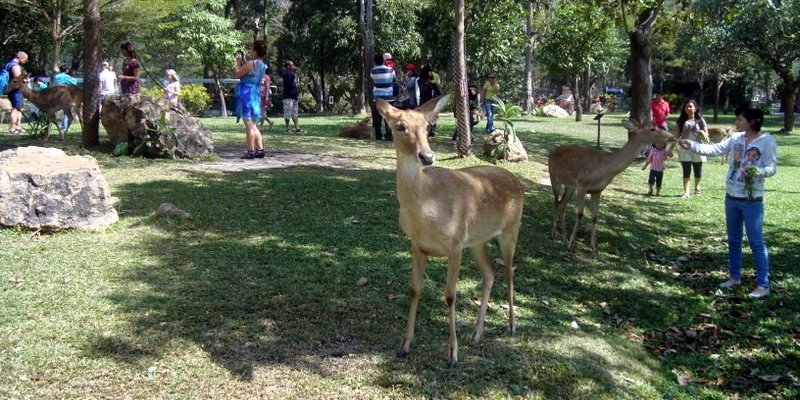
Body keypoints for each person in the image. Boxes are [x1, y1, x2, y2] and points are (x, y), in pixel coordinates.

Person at [678, 102, 777, 298]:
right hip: (731, 197)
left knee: (756, 242)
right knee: (733, 239)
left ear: (753, 121)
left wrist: (758, 171)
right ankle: (734, 277)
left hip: (752, 200)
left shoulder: (767, 141)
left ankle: (763, 285)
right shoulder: (735, 138)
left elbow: (772, 167)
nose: (736, 122)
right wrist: (692, 145)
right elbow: (715, 149)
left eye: (740, 118)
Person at [235, 39, 269, 159]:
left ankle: (250, 150)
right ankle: (260, 149)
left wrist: (238, 62)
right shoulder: (263, 65)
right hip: (255, 93)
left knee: (248, 123)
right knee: (253, 124)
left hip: (246, 93)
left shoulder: (251, 63)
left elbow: (238, 74)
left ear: (255, 51)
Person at [669, 100, 708, 199]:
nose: (688, 108)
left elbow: (707, 135)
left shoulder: (701, 120)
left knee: (697, 170)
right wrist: (670, 149)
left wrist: (702, 133)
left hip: (698, 148)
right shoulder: (681, 121)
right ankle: (686, 192)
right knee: (686, 170)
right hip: (685, 148)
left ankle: (697, 187)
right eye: (686, 107)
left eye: (690, 106)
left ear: (695, 108)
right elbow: (677, 136)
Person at [370, 53, 395, 141]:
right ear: (383, 60)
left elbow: (373, 78)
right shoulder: (390, 70)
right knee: (388, 117)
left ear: (375, 62)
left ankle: (378, 135)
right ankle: (388, 135)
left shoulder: (373, 70)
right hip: (389, 97)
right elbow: (393, 78)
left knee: (377, 118)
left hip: (377, 98)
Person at [4, 51, 28, 134]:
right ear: (20, 57)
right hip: (15, 90)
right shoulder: (15, 66)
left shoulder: (7, 64)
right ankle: (13, 128)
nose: (25, 62)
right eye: (25, 59)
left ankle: (18, 126)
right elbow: (18, 79)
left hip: (10, 89)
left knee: (19, 108)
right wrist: (25, 80)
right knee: (15, 109)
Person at [417, 64, 441, 137]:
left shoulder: (432, 81)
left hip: (432, 102)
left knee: (432, 117)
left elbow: (438, 92)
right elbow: (421, 90)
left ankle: (431, 130)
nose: (431, 73)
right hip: (423, 102)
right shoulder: (419, 81)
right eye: (429, 71)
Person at [52, 66, 78, 132]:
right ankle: (64, 126)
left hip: (55, 94)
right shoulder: (65, 76)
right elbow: (74, 81)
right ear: (66, 70)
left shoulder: (56, 76)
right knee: (66, 110)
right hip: (63, 94)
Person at [281, 60, 303, 134]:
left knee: (295, 113)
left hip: (294, 96)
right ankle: (287, 128)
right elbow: (288, 84)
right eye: (292, 65)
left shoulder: (293, 74)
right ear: (288, 66)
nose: (293, 66)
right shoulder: (285, 74)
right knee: (288, 113)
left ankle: (297, 127)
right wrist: (293, 75)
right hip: (288, 97)